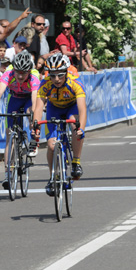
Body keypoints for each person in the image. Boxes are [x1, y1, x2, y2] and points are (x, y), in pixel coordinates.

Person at [33, 53, 87, 196]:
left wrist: (81, 128)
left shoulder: (75, 82)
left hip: (71, 107)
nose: (56, 79)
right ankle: (52, 176)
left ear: (66, 73)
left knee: (76, 127)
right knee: (51, 146)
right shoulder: (45, 83)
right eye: (53, 75)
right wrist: (36, 126)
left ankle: (76, 161)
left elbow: (82, 109)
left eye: (60, 75)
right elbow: (38, 108)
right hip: (54, 109)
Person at [0, 50, 40, 189]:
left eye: (23, 73)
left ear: (29, 71)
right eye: (17, 71)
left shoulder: (34, 77)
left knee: (31, 111)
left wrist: (33, 120)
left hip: (28, 99)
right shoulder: (9, 73)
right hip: (14, 98)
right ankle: (8, 173)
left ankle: (34, 139)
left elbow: (34, 100)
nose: (20, 75)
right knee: (10, 136)